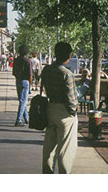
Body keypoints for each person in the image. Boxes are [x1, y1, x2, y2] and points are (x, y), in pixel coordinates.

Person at [41, 41, 78, 174]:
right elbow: (71, 98)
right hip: (64, 112)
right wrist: (73, 111)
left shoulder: (47, 70)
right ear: (68, 55)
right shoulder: (67, 73)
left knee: (49, 149)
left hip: (50, 109)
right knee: (65, 151)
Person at [12, 45, 33, 127]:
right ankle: (19, 119)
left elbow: (14, 72)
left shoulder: (16, 60)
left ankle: (26, 118)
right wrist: (31, 84)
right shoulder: (28, 61)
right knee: (23, 100)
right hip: (25, 81)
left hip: (18, 80)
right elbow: (30, 75)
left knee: (21, 100)